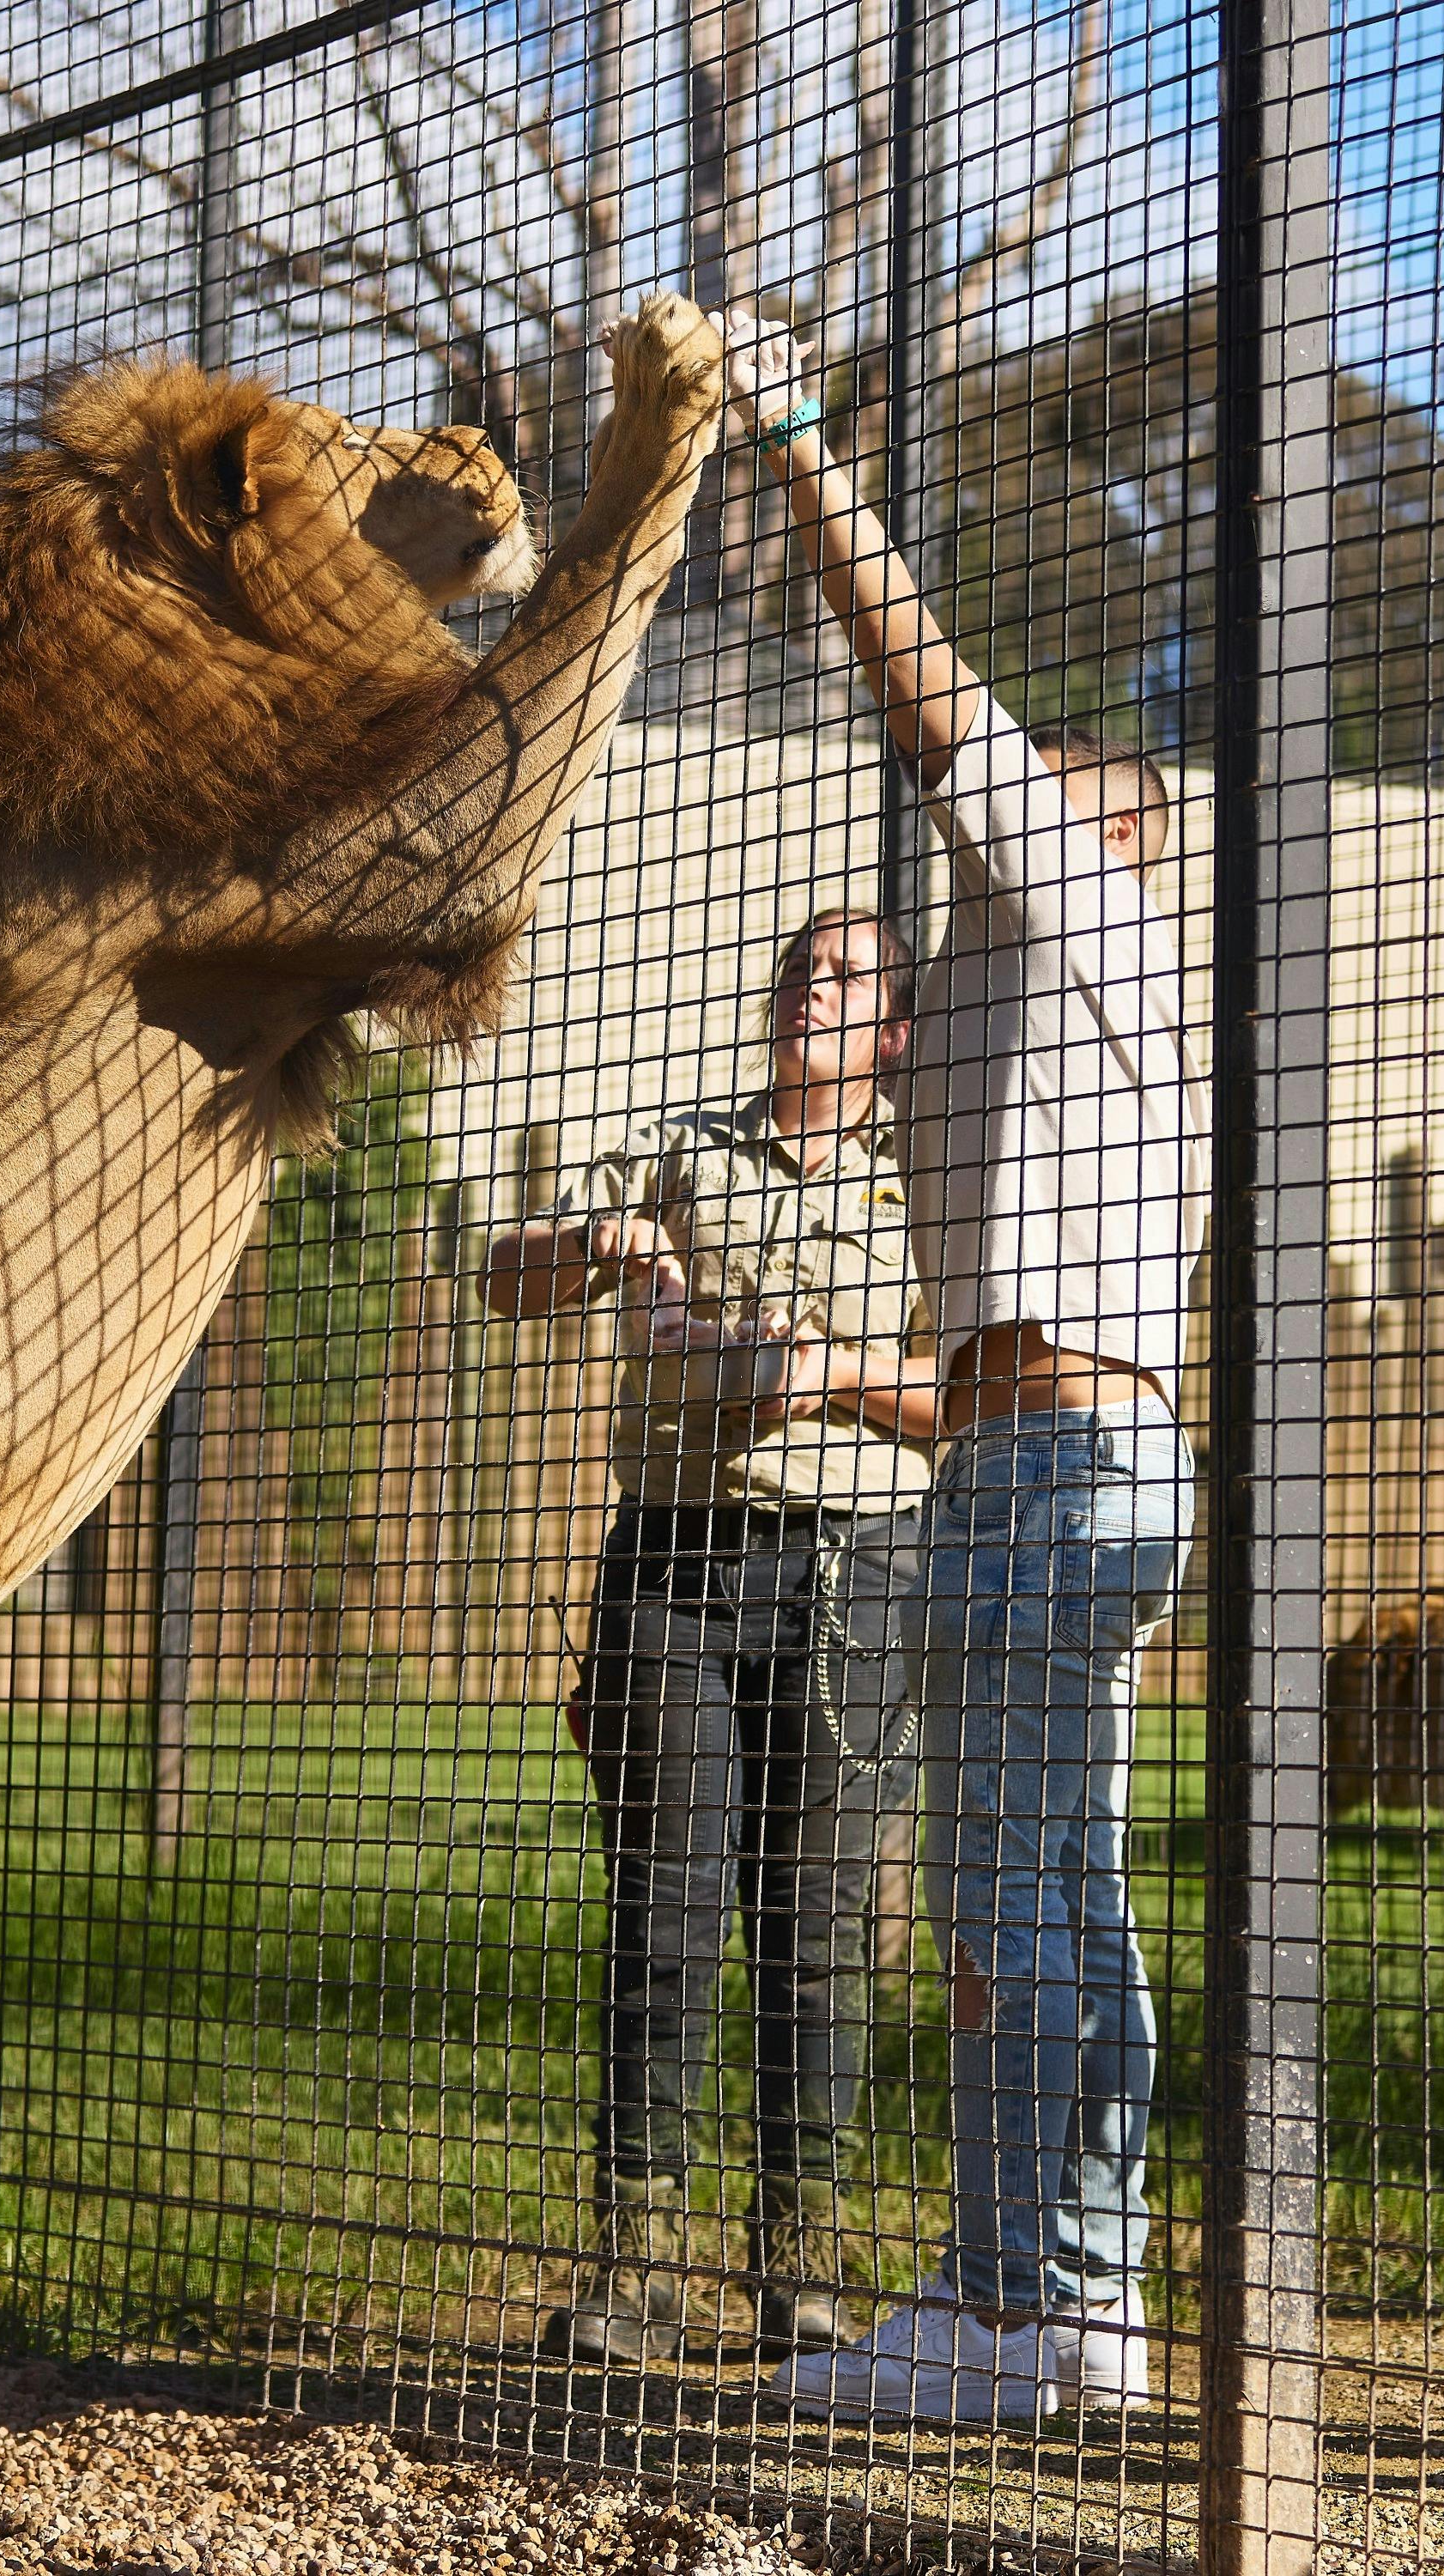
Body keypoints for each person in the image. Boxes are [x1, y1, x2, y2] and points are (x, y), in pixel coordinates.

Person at [715, 324, 1209, 2424]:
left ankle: (1017, 2307)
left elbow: (928, 701)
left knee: (1010, 1894)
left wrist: (804, 448)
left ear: (1119, 846)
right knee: (1047, 1885)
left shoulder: (1094, 913)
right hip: (1050, 1450)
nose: (1001, 823)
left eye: (1054, 801)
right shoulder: (1052, 1011)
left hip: (1056, 1463)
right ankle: (1050, 2293)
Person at [482, 907, 939, 2360]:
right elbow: (506, 1276)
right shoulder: (685, 1149)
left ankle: (801, 2270)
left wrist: (842, 1383)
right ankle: (637, 2265)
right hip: (674, 1565)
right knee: (667, 1910)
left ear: (892, 1033)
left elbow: (973, 1393)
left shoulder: (937, 1180)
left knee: (816, 1934)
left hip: (859, 1571)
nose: (812, 985)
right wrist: (589, 1242)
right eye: (796, 965)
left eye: (848, 975)